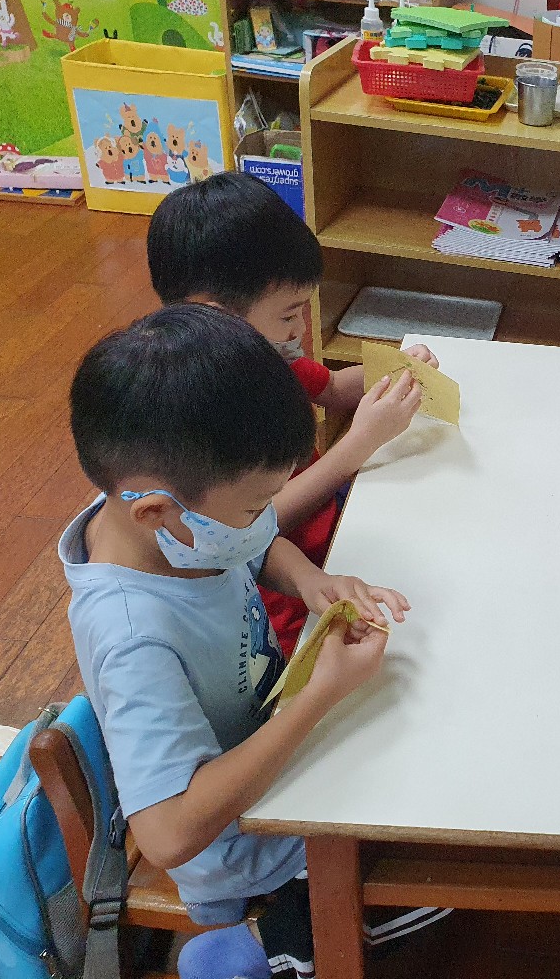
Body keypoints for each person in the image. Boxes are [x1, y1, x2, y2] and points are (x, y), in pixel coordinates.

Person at [61, 305, 446, 979]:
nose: (266, 518)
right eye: (253, 506)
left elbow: (252, 543)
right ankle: (261, 945)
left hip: (276, 742)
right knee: (446, 873)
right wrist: (319, 696)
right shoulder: (133, 639)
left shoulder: (157, 519)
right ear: (155, 511)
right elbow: (168, 834)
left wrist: (310, 579)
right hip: (241, 842)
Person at [147, 172, 436, 656]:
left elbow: (334, 387)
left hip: (330, 539)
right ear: (216, 315)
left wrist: (397, 370)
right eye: (287, 314)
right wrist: (358, 446)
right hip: (280, 596)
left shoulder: (267, 356)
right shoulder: (201, 410)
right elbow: (250, 529)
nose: (301, 329)